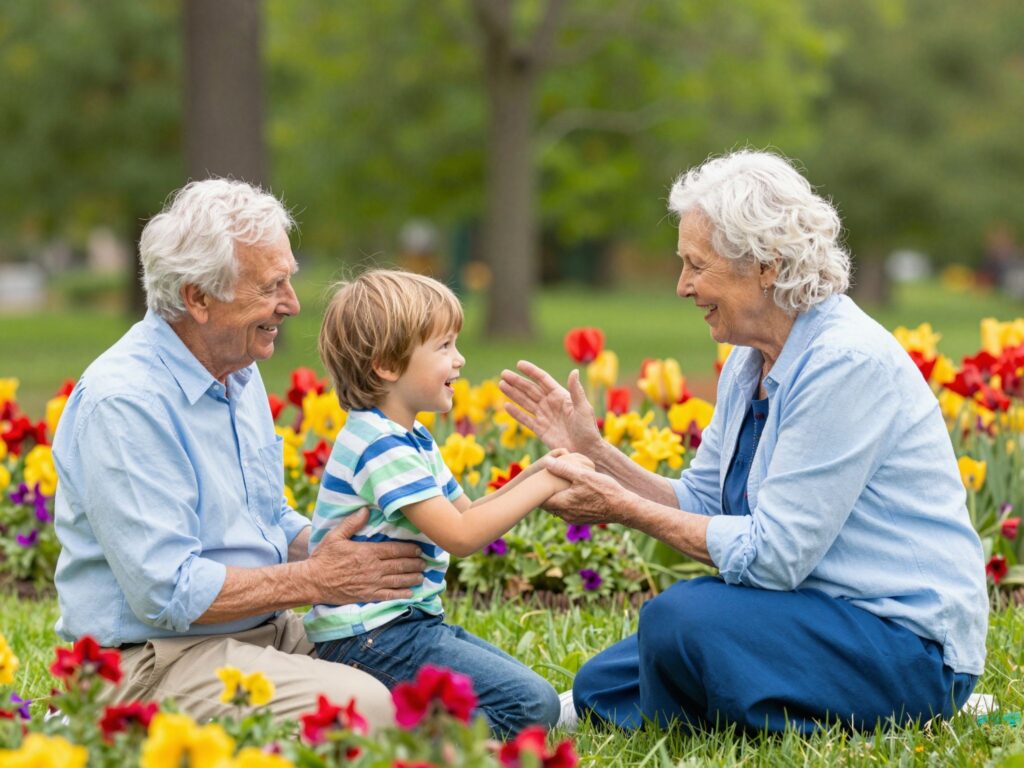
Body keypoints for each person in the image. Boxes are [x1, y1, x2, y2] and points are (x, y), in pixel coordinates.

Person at [499, 150, 987, 733]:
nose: (682, 286)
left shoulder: (844, 362)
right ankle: (732, 698)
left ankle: (914, 708)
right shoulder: (749, 359)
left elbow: (774, 557)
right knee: (602, 681)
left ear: (766, 266)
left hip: (907, 645)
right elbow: (703, 501)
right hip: (816, 615)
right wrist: (595, 453)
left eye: (696, 265)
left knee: (680, 621)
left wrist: (620, 507)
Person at [51, 179, 426, 727]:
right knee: (369, 709)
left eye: (288, 279)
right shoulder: (126, 402)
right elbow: (168, 591)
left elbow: (265, 519)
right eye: (272, 286)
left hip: (262, 630)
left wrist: (357, 545)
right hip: (150, 662)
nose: (292, 304)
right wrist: (319, 578)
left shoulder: (236, 370)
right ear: (198, 298)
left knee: (444, 678)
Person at [308, 269, 589, 736]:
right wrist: (547, 484)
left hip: (407, 627)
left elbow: (467, 512)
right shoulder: (380, 446)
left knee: (532, 696)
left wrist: (541, 470)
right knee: (530, 706)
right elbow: (461, 537)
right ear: (387, 365)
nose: (459, 360)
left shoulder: (409, 435)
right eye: (443, 347)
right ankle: (412, 736)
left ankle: (427, 723)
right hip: (371, 639)